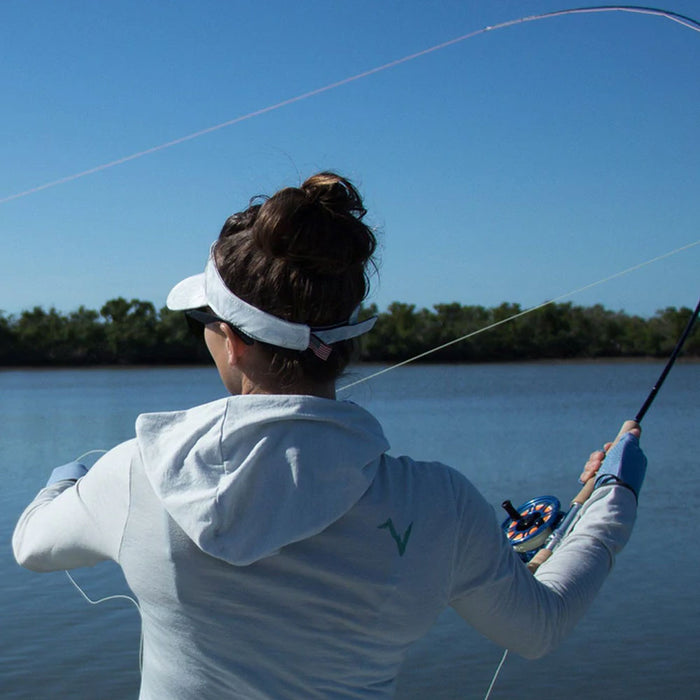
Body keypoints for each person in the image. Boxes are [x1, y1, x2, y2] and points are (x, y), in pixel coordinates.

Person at [12, 172, 646, 699]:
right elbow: (539, 627)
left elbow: (31, 547)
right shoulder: (439, 504)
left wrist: (62, 483)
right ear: (346, 340)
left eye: (204, 319)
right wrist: (611, 499)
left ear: (231, 339)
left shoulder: (134, 475)